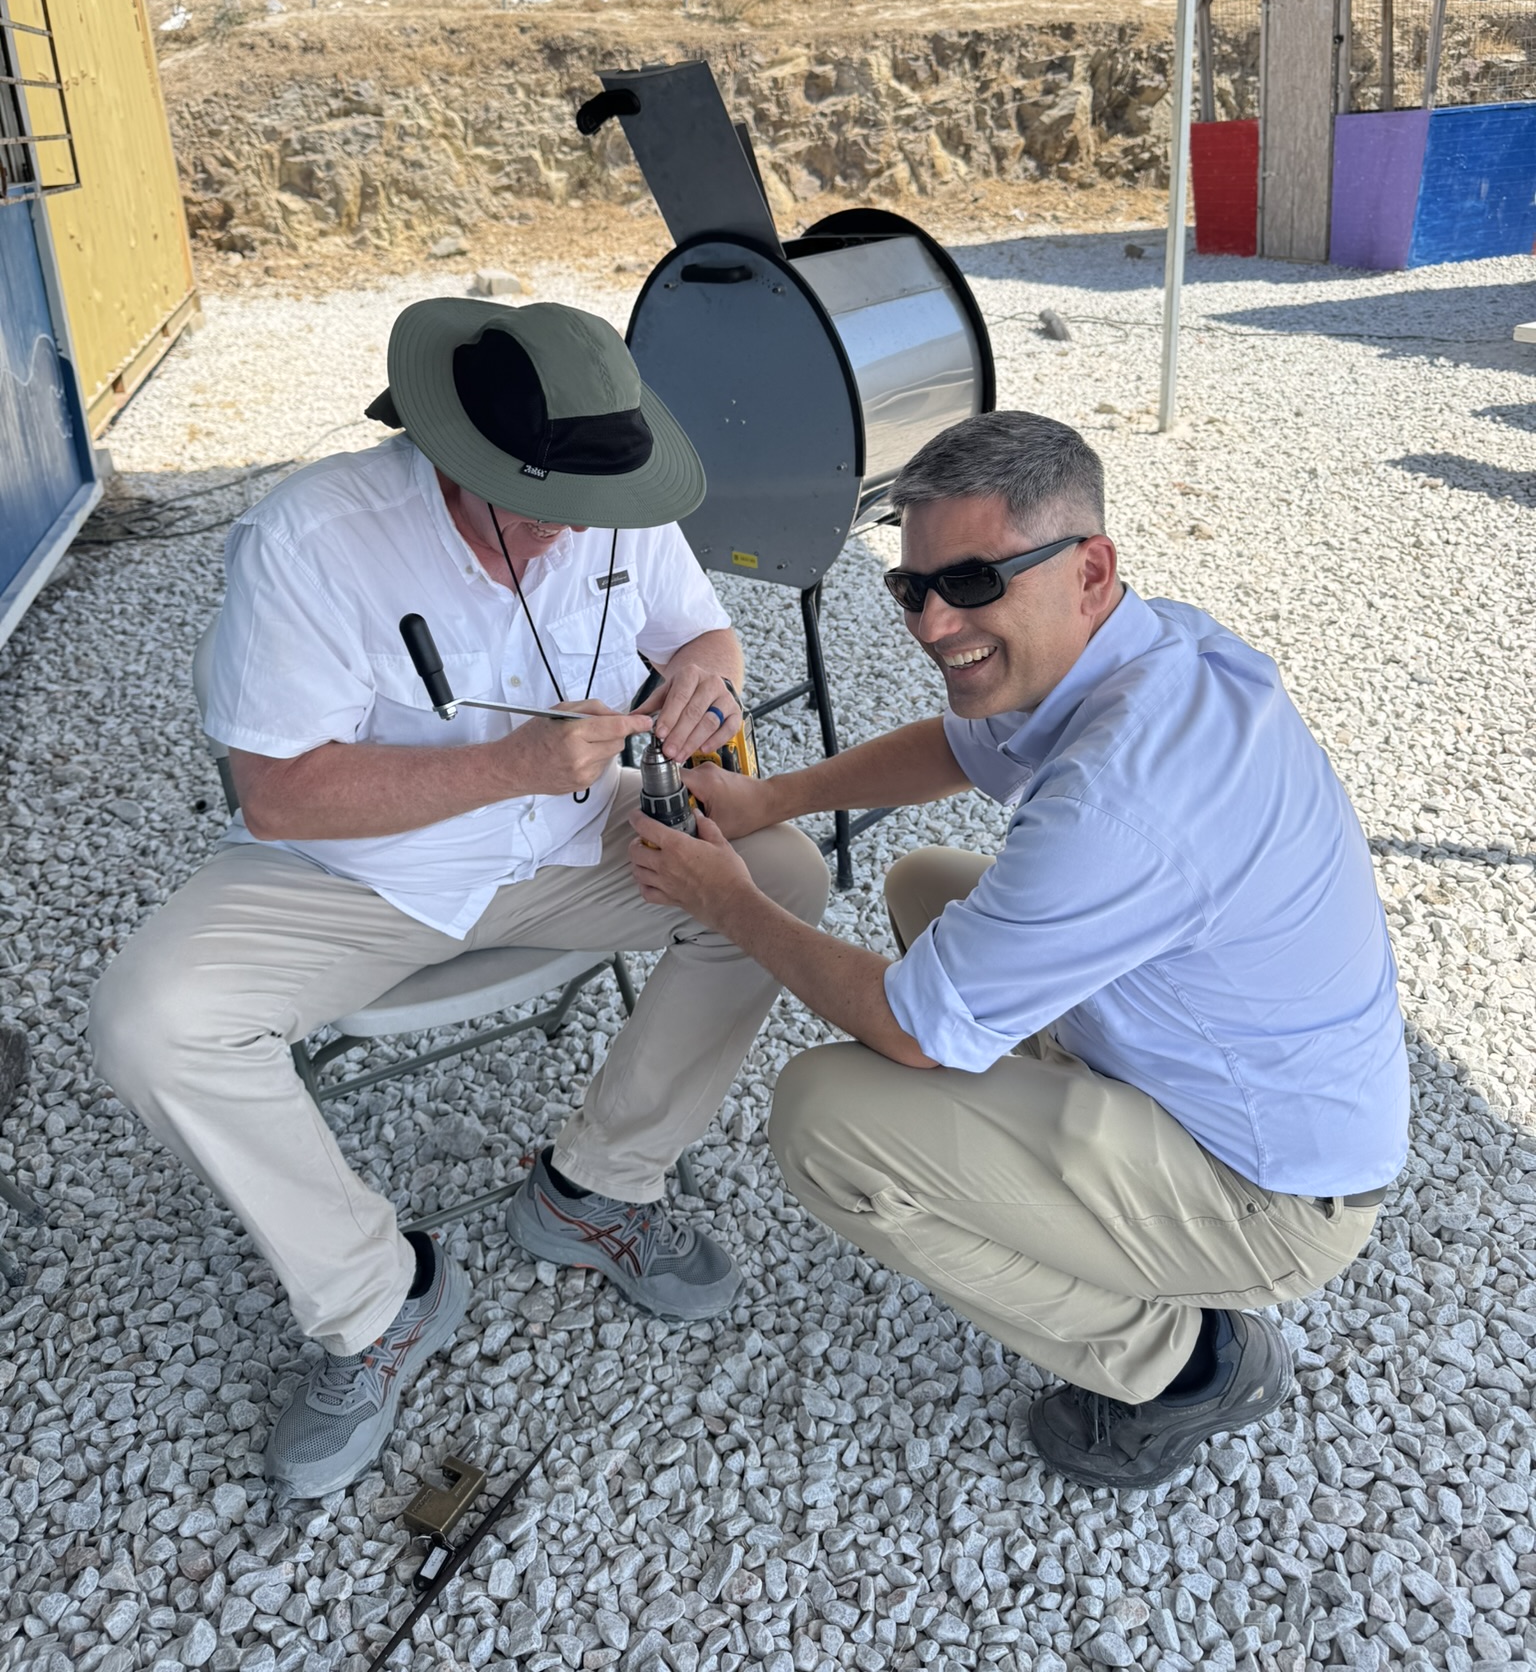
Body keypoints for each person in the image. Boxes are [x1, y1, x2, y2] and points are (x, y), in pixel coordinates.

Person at [91, 297, 828, 1499]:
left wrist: (706, 680)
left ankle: (597, 1184)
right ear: (451, 455)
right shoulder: (312, 537)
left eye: (588, 512)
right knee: (149, 1021)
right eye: (538, 512)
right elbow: (277, 792)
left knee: (783, 881)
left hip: (573, 843)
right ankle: (377, 1296)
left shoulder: (609, 496)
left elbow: (704, 631)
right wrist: (508, 765)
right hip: (359, 876)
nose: (566, 535)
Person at [629, 410, 1408, 1492]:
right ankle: (1060, 1155)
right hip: (1244, 1075)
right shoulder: (1145, 648)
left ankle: (1186, 1364)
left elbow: (908, 1028)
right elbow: (962, 747)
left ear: (1090, 568)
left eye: (973, 581)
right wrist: (774, 798)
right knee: (924, 884)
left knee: (824, 1117)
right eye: (911, 588)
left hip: (1269, 1193)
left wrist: (730, 900)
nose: (934, 622)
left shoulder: (1124, 799)